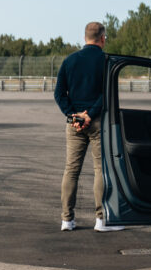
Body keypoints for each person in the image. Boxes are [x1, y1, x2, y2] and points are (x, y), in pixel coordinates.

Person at [53, 21, 124, 232]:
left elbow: (59, 94)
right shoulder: (107, 62)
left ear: (84, 38)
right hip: (97, 122)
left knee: (71, 170)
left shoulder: (69, 60)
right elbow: (107, 94)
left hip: (74, 123)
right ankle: (101, 220)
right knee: (100, 170)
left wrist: (73, 115)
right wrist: (90, 115)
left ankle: (67, 220)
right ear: (102, 38)